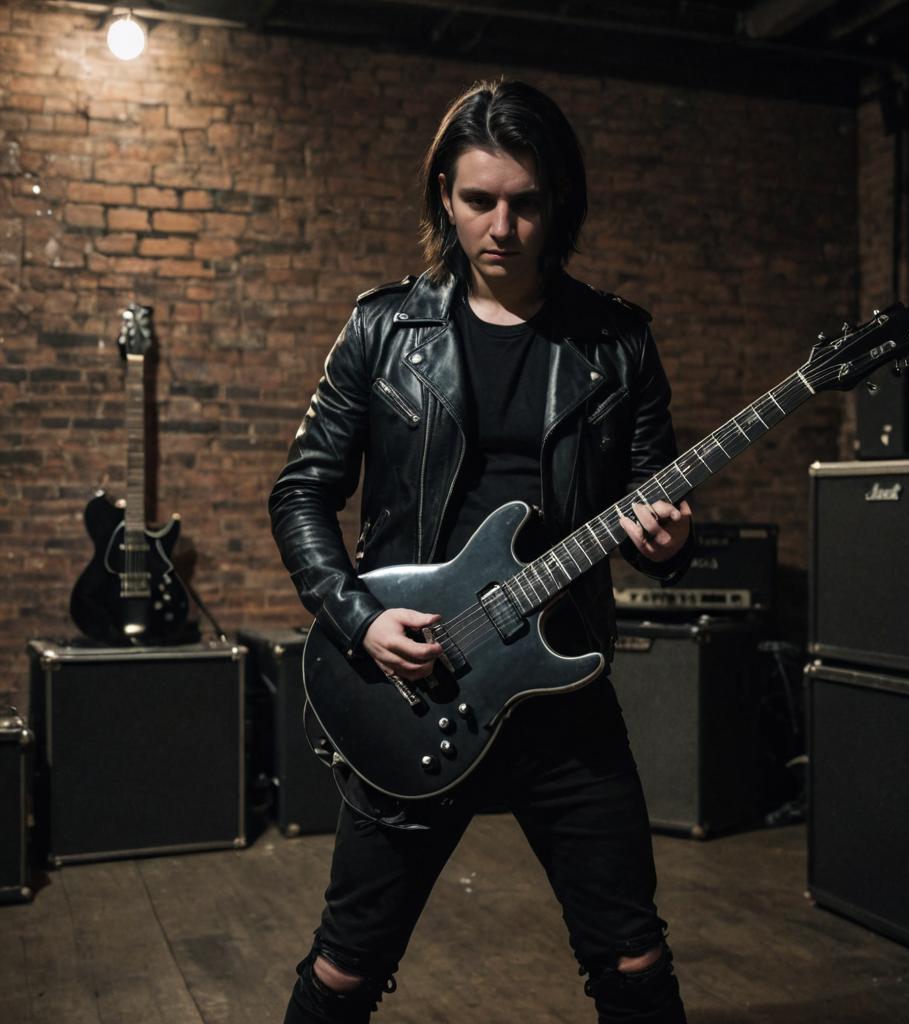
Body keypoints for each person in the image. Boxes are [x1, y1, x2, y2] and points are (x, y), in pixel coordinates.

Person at [270, 79, 694, 1024]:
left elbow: (656, 506)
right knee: (344, 969)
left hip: (562, 694)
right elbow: (301, 492)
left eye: (526, 202)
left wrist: (673, 540)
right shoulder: (382, 330)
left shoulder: (617, 343)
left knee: (634, 960)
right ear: (444, 199)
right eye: (478, 200)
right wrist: (359, 616)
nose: (501, 226)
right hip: (416, 689)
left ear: (559, 205)